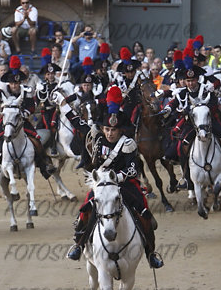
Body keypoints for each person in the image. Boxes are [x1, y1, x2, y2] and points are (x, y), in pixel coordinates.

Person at [66, 86, 163, 269]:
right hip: (102, 185)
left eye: (113, 130)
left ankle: (151, 253)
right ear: (103, 129)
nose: (110, 133)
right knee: (85, 210)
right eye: (107, 129)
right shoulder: (97, 140)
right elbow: (77, 123)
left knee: (144, 214)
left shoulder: (128, 144)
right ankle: (78, 245)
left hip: (125, 185)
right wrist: (63, 106)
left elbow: (133, 168)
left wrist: (117, 177)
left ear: (120, 130)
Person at [0, 67, 55, 182]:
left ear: (19, 83)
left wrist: (25, 113)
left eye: (16, 83)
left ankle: (44, 166)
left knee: (36, 141)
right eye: (12, 83)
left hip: (22, 120)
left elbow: (31, 106)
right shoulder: (3, 90)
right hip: (6, 121)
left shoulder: (26, 91)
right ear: (9, 83)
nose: (14, 86)